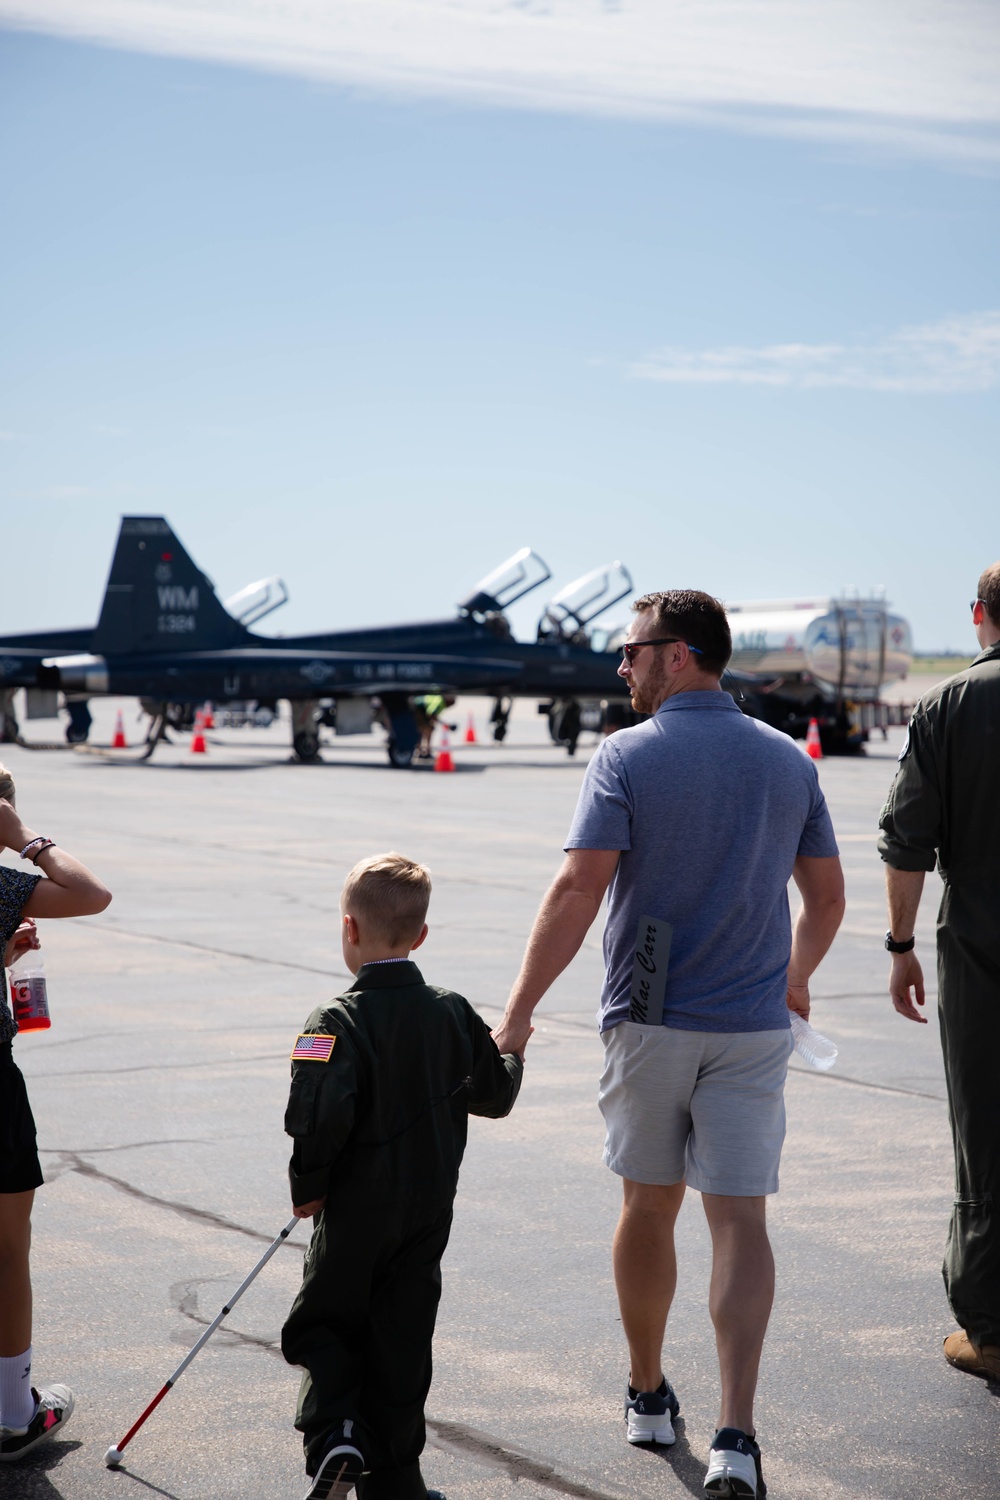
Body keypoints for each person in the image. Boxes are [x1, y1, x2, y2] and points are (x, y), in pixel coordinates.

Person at [492, 590, 845, 1500]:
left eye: (632, 651)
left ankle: (648, 1394)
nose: (622, 667)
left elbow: (578, 891)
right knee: (740, 1220)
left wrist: (519, 1010)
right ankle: (737, 1435)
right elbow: (829, 898)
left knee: (649, 1205)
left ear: (678, 654)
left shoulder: (627, 756)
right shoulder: (785, 760)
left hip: (649, 1022)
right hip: (754, 1026)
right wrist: (796, 974)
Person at [281, 852, 523, 1500]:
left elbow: (315, 1114)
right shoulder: (451, 1010)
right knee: (403, 1339)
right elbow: (496, 1094)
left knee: (326, 1320)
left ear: (348, 930)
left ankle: (335, 1435)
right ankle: (397, 1483)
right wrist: (513, 1048)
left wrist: (308, 1188)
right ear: (419, 937)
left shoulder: (331, 1020)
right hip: (426, 1212)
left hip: (356, 1210)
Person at [878, 563, 1000, 1381]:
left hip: (985, 957)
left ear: (979, 616)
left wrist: (899, 944)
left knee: (986, 1137)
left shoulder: (954, 702)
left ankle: (992, 1332)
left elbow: (906, 839)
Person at [0, 764, 112, 1462]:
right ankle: (13, 1413)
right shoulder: (5, 881)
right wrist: (27, 839)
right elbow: (91, 893)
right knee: (7, 1249)